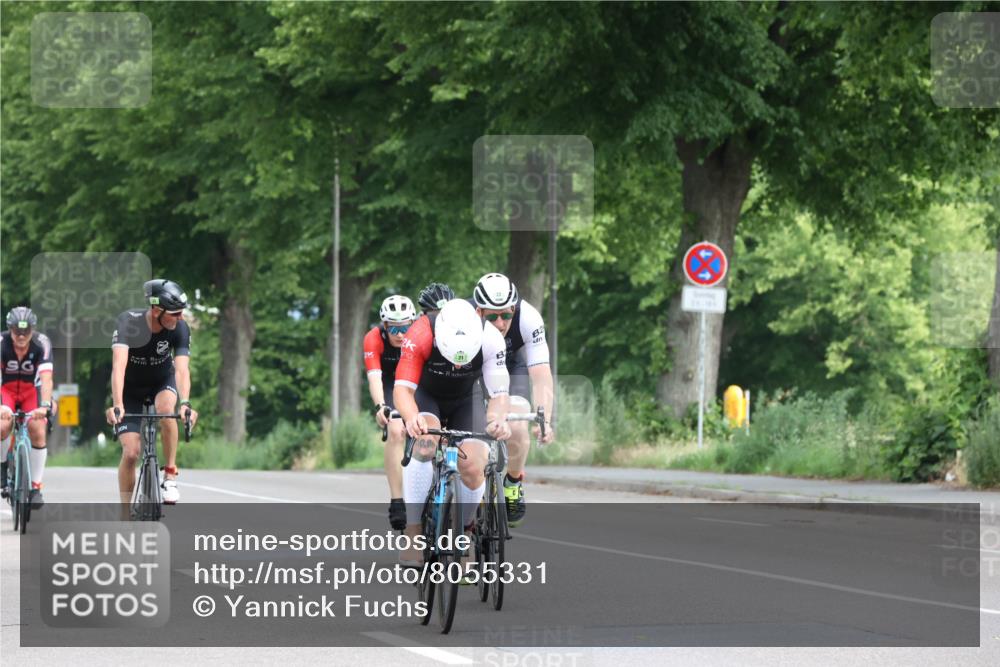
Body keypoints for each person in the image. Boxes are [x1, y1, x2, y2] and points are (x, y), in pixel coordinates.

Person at [393, 298, 511, 564]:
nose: (458, 366)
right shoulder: (420, 334)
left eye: (464, 360)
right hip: (427, 395)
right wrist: (411, 418)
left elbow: (499, 394)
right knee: (424, 444)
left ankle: (465, 532)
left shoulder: (490, 338)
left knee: (473, 464)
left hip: (467, 398)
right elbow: (402, 390)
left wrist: (497, 420)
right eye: (452, 359)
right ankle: (414, 531)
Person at [106, 279, 198, 506]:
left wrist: (185, 403)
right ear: (157, 310)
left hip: (161, 381)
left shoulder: (180, 328)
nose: (181, 318)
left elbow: (182, 370)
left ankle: (170, 475)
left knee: (166, 410)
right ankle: (125, 514)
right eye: (175, 313)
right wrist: (117, 404)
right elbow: (119, 366)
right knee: (131, 453)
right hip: (130, 389)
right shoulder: (128, 322)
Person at [472, 272, 555, 526]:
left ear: (514, 309)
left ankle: (513, 482)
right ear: (479, 311)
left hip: (511, 366)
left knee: (518, 422)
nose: (500, 323)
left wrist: (545, 419)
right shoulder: (464, 319)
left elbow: (541, 375)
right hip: (474, 369)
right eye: (492, 317)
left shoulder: (529, 318)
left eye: (506, 315)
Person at [364, 294, 417, 530]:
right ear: (384, 325)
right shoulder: (373, 338)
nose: (400, 334)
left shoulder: (420, 335)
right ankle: (397, 501)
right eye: (394, 328)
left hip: (414, 383)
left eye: (405, 327)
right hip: (390, 385)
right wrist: (380, 406)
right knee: (396, 430)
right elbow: (374, 377)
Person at [0, 307, 54, 508]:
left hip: (32, 391)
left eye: (26, 331)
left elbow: (46, 379)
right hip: (6, 390)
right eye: (17, 331)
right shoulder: (1, 342)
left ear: (33, 329)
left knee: (38, 428)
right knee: (3, 425)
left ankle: (35, 487)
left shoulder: (42, 343)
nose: (21, 336)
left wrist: (45, 406)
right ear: (9, 329)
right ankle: (2, 467)